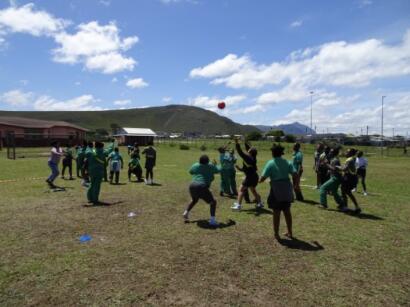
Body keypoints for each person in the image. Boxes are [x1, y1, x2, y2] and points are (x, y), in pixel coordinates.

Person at [260, 144, 297, 240]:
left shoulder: (270, 163)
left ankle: (276, 234)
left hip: (276, 190)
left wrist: (260, 180)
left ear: (273, 153)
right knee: (287, 211)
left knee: (276, 212)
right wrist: (295, 184)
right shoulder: (287, 162)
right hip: (287, 189)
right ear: (281, 153)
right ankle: (290, 232)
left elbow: (263, 178)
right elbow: (295, 173)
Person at [182, 155, 220, 226]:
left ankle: (186, 212)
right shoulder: (210, 166)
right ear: (207, 161)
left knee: (194, 200)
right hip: (202, 186)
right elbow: (217, 171)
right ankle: (212, 221)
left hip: (192, 185)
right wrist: (214, 165)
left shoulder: (195, 165)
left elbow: (191, 172)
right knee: (213, 202)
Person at [231, 138, 263, 210]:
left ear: (250, 152)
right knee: (253, 190)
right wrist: (245, 142)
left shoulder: (248, 158)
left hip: (250, 177)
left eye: (248, 150)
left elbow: (240, 152)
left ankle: (238, 205)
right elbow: (248, 149)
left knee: (241, 190)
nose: (247, 150)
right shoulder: (253, 157)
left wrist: (237, 143)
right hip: (254, 176)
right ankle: (260, 203)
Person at [341, 148, 361, 214]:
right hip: (353, 177)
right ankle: (357, 207)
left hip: (348, 177)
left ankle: (345, 207)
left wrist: (336, 167)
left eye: (347, 152)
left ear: (351, 154)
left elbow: (344, 169)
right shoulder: (355, 158)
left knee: (344, 191)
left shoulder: (349, 160)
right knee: (348, 192)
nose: (346, 153)